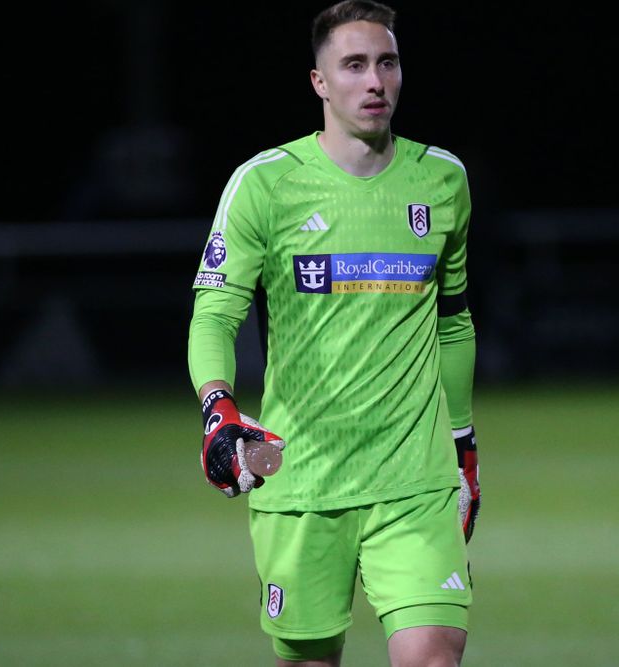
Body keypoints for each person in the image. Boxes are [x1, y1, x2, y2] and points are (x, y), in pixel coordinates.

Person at [188, 2, 480, 664]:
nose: (375, 81)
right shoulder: (265, 185)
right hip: (302, 483)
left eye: (387, 62)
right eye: (354, 65)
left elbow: (453, 320)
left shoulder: (444, 180)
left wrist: (462, 442)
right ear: (319, 82)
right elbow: (214, 313)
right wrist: (218, 409)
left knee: (432, 655)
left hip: (415, 481)